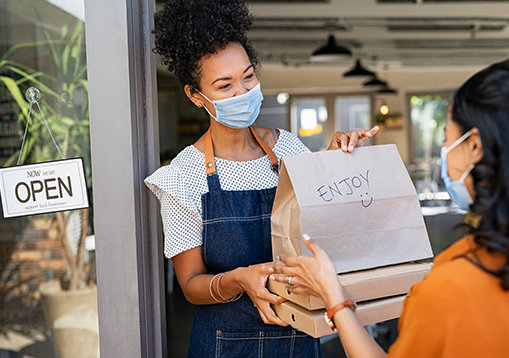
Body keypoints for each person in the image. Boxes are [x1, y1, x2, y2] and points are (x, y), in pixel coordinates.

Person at [144, 1, 378, 357]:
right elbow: (191, 284)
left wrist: (333, 164)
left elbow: (320, 225)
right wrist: (239, 279)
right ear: (196, 95)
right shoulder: (182, 176)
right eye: (225, 86)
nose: (243, 92)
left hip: (299, 339)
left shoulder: (288, 149)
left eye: (248, 77)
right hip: (224, 345)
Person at [270, 59, 509, 358]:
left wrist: (333, 297)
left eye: (446, 138)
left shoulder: (453, 287)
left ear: (473, 146)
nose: (444, 150)